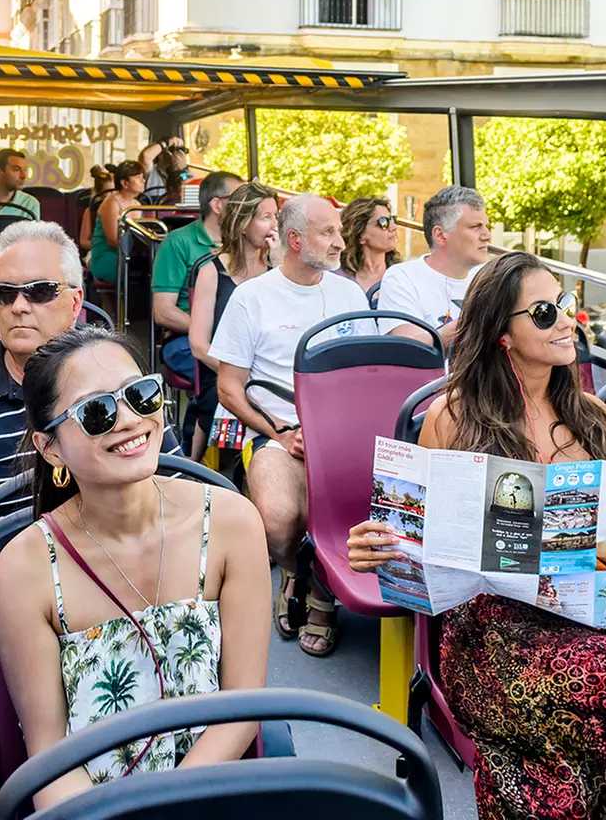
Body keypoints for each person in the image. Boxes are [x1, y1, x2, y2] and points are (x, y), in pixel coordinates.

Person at [346, 253, 606, 820]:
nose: (566, 320)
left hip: (588, 620)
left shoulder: (593, 418)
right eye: (545, 312)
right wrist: (377, 546)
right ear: (502, 334)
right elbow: (414, 530)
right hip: (489, 635)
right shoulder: (453, 416)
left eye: (565, 305)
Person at [0, 328, 270, 806]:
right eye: (97, 412)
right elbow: (49, 750)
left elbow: (241, 710)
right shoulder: (27, 566)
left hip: (207, 793)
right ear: (50, 448)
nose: (129, 420)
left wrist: (169, 805)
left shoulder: (232, 522)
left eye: (141, 395)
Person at [0, 221, 181, 543]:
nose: (19, 306)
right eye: (4, 293)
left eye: (40, 291)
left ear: (75, 302)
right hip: (7, 575)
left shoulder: (119, 378)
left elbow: (177, 486)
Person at [206, 194, 364, 656]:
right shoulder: (251, 297)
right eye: (327, 233)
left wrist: (337, 433)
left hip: (339, 434)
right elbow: (229, 388)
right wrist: (281, 432)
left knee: (340, 511)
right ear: (295, 240)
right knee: (278, 520)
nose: (340, 242)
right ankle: (296, 570)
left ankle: (321, 595)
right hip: (276, 429)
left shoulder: (350, 294)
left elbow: (362, 375)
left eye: (338, 231)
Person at [188, 184, 278, 453]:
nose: (275, 225)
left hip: (273, 377)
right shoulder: (211, 270)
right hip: (223, 374)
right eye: (266, 217)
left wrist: (282, 267)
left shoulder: (278, 270)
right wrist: (243, 376)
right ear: (242, 224)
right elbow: (199, 345)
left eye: (277, 216)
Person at [149, 170, 242, 399]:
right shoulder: (178, 243)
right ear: (218, 206)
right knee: (232, 384)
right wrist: (211, 331)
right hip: (186, 340)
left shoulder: (246, 242)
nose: (245, 207)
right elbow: (163, 312)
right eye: (239, 200)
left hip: (237, 340)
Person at [379, 185, 494, 346]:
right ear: (440, 235)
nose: (487, 236)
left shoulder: (489, 278)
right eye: (475, 227)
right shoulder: (402, 277)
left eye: (487, 226)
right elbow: (408, 347)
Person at [88, 161, 146, 286]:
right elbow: (113, 241)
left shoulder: (138, 205)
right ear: (124, 183)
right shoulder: (112, 203)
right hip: (108, 255)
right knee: (140, 268)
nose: (143, 180)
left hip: (130, 253)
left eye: (142, 177)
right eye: (137, 177)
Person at [338, 197, 399, 304]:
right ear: (360, 234)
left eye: (392, 219)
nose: (394, 227)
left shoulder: (402, 276)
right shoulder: (337, 277)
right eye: (383, 222)